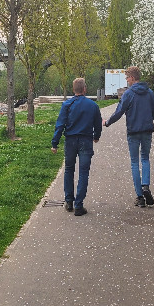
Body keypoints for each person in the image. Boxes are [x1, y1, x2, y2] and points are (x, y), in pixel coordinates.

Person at [103, 66, 154, 208]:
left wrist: (107, 122)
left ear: (132, 78)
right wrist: (148, 118)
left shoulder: (128, 94)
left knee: (135, 162)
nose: (126, 80)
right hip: (147, 130)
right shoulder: (149, 92)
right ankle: (145, 186)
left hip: (133, 131)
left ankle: (140, 196)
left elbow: (119, 112)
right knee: (145, 158)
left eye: (127, 77)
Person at [51, 77, 103, 216]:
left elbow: (60, 124)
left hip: (70, 141)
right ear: (85, 89)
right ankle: (79, 205)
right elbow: (98, 124)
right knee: (83, 172)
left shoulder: (67, 105)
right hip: (86, 140)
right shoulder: (92, 105)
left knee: (69, 170)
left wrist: (54, 143)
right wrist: (96, 136)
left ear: (74, 90)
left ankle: (69, 202)